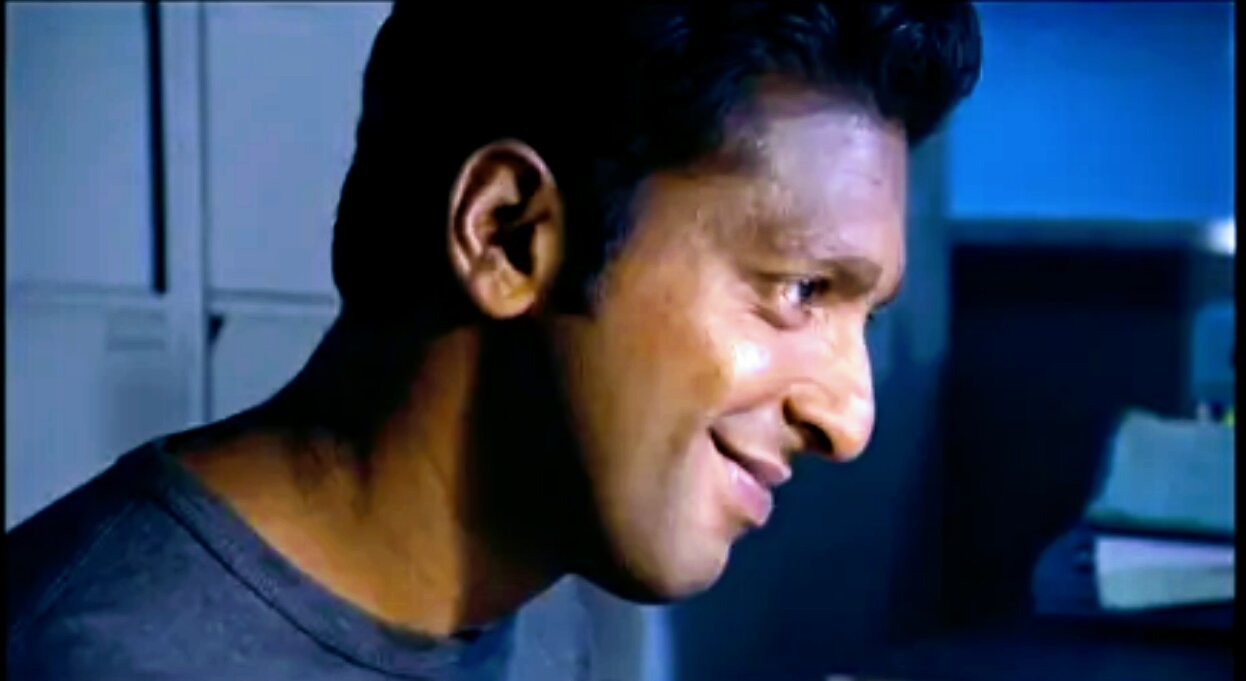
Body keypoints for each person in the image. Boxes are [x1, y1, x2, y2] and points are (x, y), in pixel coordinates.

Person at [6, 3, 981, 679]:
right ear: (509, 235)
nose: (849, 420)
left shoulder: (538, 595)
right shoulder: (85, 656)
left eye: (863, 317)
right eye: (800, 289)